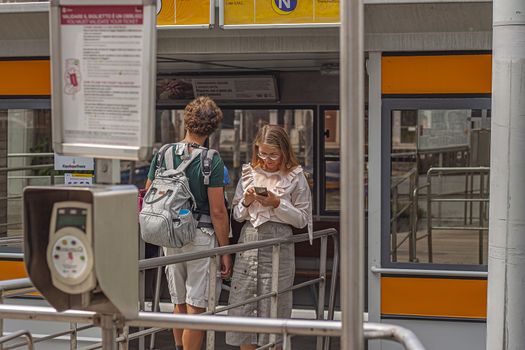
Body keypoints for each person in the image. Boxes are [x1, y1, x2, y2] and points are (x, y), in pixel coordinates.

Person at [144, 96, 232, 350]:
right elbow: (218, 211)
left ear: (186, 121)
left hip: (170, 235)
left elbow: (149, 192)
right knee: (197, 306)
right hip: (200, 237)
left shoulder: (163, 153)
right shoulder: (210, 160)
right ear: (213, 128)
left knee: (178, 303)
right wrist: (225, 251)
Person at [226, 124, 313, 349]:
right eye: (262, 153)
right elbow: (236, 215)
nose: (266, 159)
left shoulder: (296, 177)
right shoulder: (249, 172)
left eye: (273, 154)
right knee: (244, 306)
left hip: (278, 244)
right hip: (249, 241)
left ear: (284, 151)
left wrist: (277, 204)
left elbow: (302, 219)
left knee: (274, 306)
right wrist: (246, 201)